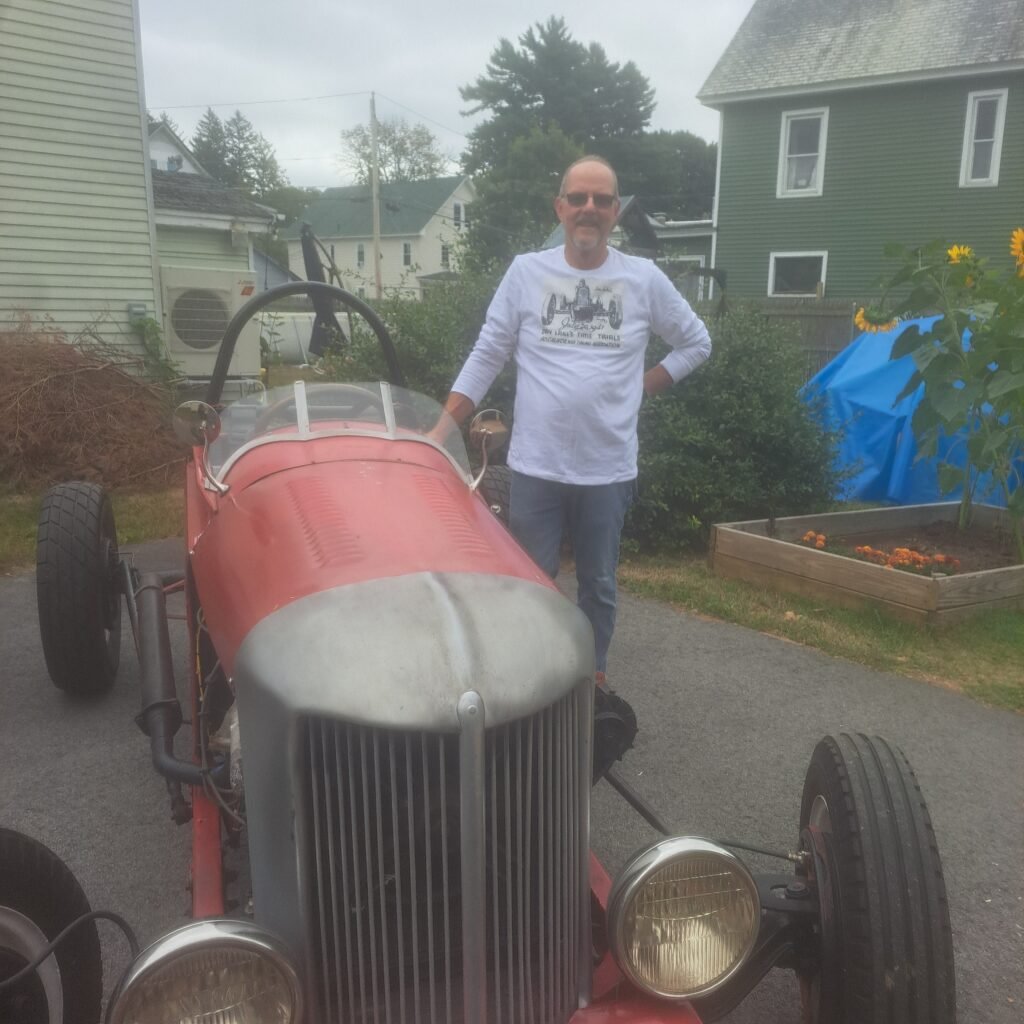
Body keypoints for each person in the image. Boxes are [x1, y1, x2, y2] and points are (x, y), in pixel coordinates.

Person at [440, 156, 711, 684]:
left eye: (602, 200)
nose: (590, 209)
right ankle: (529, 680)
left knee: (599, 586)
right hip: (535, 466)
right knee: (530, 580)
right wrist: (441, 425)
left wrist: (642, 386)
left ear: (616, 212)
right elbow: (488, 351)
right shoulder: (526, 271)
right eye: (579, 198)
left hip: (607, 469)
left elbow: (697, 342)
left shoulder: (643, 279)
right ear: (560, 207)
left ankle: (592, 679)